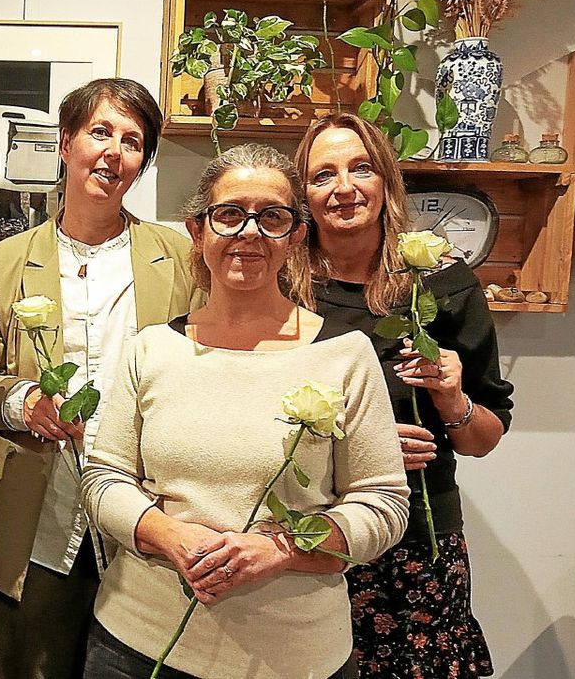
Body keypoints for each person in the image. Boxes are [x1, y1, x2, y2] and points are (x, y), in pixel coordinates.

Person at [80, 143, 411, 679]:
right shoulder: (152, 350)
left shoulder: (344, 355)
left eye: (272, 217)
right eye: (229, 214)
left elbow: (385, 504)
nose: (249, 232)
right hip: (138, 645)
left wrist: (281, 549)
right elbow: (104, 478)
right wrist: (169, 535)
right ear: (198, 230)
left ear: (296, 235)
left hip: (292, 658)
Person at [0, 77, 200, 679]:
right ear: (66, 144)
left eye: (132, 141)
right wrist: (23, 404)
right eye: (100, 132)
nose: (113, 152)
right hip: (40, 516)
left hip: (148, 516)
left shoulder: (176, 257)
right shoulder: (8, 260)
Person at [295, 113, 514, 678]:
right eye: (323, 175)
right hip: (311, 532)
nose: (343, 188)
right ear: (303, 196)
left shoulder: (441, 283)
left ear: (387, 182)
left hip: (420, 541)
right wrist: (363, 445)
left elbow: (483, 440)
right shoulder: (281, 286)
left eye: (360, 168)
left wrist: (452, 399)